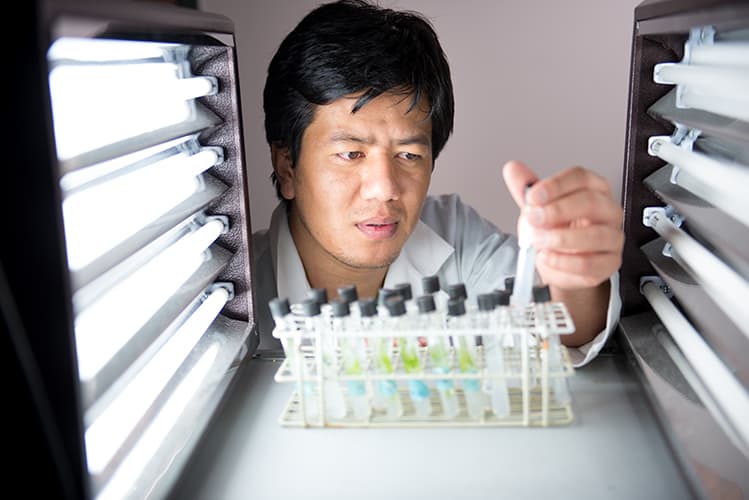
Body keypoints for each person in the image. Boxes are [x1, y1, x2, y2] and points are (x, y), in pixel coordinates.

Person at [252, 0, 623, 367]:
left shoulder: (457, 236)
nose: (385, 188)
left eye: (408, 155)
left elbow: (558, 328)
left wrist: (573, 274)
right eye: (351, 154)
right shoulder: (238, 292)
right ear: (287, 166)